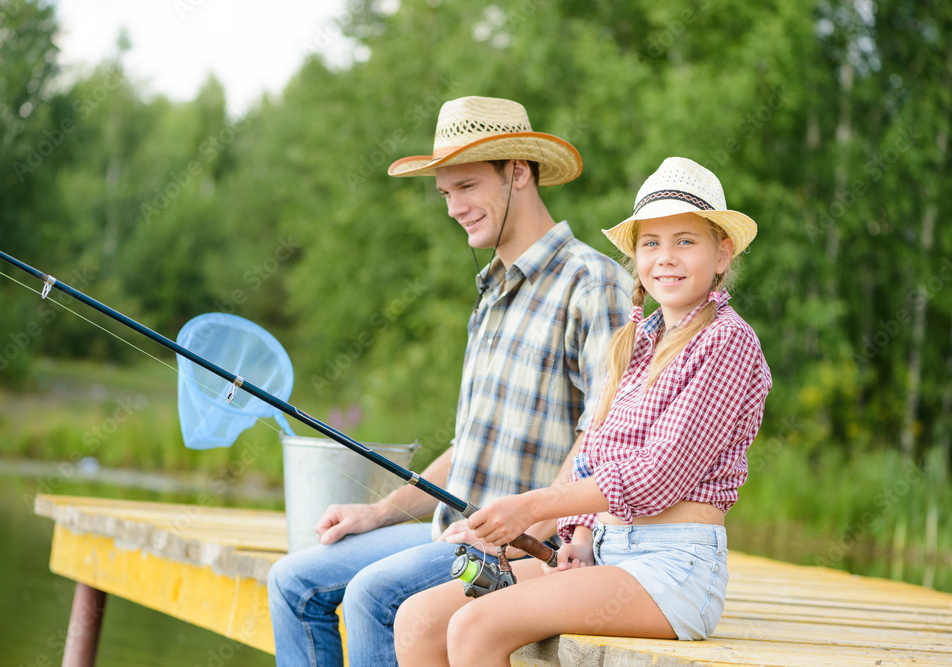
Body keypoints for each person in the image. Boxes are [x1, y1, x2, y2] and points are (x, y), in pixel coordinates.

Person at [267, 96, 633, 666]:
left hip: (524, 549)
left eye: (466, 187)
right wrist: (380, 510)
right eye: (445, 193)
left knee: (374, 597)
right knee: (292, 581)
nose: (453, 208)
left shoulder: (593, 284)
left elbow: (603, 434)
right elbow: (470, 447)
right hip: (453, 531)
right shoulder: (490, 294)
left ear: (517, 172)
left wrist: (522, 525)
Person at [393, 156, 773, 666]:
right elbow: (599, 450)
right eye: (651, 243)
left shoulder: (727, 342)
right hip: (609, 553)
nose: (666, 258)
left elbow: (658, 475)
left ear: (722, 253)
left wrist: (532, 508)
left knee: (476, 626)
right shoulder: (637, 341)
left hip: (672, 571)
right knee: (418, 620)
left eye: (686, 241)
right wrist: (580, 532)